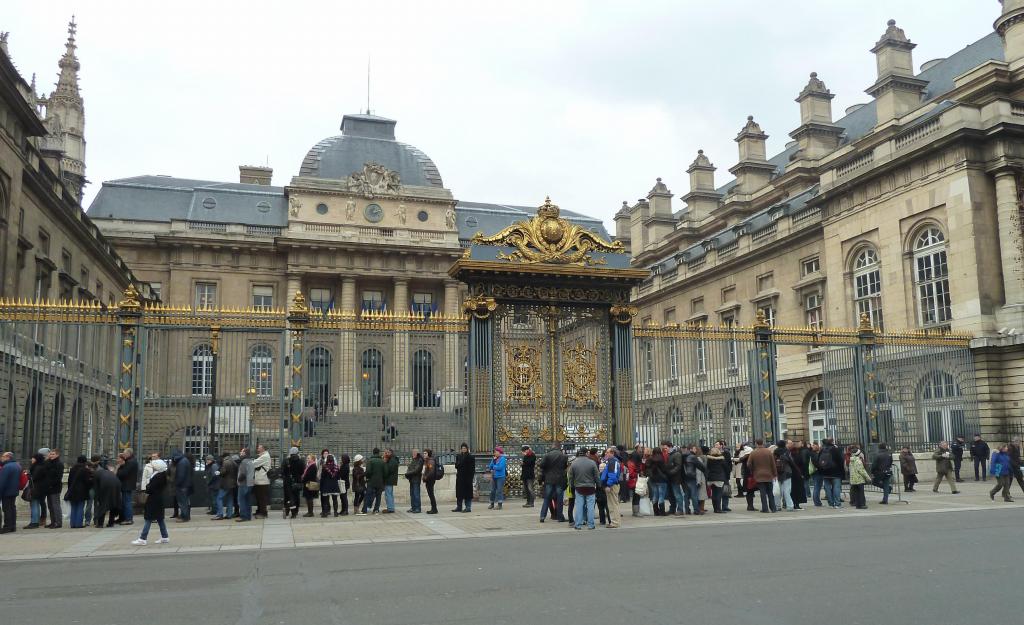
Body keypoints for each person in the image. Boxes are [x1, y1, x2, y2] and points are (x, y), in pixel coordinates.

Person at [131, 459, 169, 546]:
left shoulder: (157, 477)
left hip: (153, 499)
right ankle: (165, 536)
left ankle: (142, 538)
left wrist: (148, 485)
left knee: (148, 518)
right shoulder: (162, 475)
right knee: (160, 518)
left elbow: (149, 488)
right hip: (158, 499)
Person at [569, 448, 598, 530]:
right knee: (590, 507)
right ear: (586, 453)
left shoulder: (574, 463)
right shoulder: (592, 463)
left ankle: (578, 524)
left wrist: (571, 487)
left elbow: (571, 477)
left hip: (579, 488)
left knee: (579, 506)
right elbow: (596, 476)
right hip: (590, 487)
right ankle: (591, 524)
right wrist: (599, 485)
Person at [747, 439, 777, 513]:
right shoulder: (768, 452)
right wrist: (775, 474)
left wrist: (753, 470)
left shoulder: (753, 453)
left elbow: (749, 464)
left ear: (756, 443)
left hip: (759, 475)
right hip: (769, 475)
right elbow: (773, 464)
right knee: (770, 492)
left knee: (762, 493)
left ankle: (765, 508)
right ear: (763, 443)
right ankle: (773, 508)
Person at [538, 445, 567, 522]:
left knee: (547, 498)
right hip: (559, 479)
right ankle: (559, 517)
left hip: (549, 479)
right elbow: (564, 467)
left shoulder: (547, 455)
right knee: (559, 499)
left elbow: (541, 465)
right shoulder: (563, 456)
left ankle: (542, 516)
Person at [65, 455, 94, 528]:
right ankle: (78, 524)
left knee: (74, 507)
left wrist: (70, 490)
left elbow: (69, 481)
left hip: (72, 491)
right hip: (82, 491)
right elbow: (87, 482)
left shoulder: (72, 469)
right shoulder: (85, 470)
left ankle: (73, 524)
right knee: (80, 507)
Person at [92, 456, 120, 528]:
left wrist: (98, 498)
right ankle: (111, 523)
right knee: (113, 504)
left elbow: (96, 488)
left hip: (106, 485)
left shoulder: (97, 473)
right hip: (116, 484)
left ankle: (100, 524)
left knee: (103, 504)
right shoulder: (109, 472)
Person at [817, 439, 845, 508]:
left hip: (825, 472)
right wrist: (842, 471)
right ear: (832, 443)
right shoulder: (835, 450)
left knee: (827, 488)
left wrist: (821, 471)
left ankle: (831, 503)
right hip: (835, 472)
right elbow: (841, 461)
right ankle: (837, 503)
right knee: (836, 487)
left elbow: (819, 461)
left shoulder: (822, 450)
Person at [599, 447, 622, 528]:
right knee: (612, 504)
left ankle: (615, 522)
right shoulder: (611, 461)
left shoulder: (613, 461)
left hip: (612, 485)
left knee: (613, 504)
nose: (606, 454)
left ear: (612, 453)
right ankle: (614, 521)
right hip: (611, 485)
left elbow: (612, 475)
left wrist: (608, 485)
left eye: (607, 452)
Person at [116, 448, 139, 526]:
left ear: (129, 454)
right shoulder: (132, 461)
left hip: (127, 485)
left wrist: (118, 468)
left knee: (127, 502)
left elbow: (123, 473)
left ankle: (128, 519)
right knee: (125, 502)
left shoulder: (130, 462)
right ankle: (124, 518)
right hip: (128, 484)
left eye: (125, 454)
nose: (124, 455)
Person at [0, 451, 22, 533]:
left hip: (7, 491)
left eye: (3, 456)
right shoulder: (17, 465)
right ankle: (13, 526)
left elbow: (2, 481)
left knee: (7, 509)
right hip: (14, 490)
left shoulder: (6, 467)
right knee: (12, 508)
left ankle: (7, 527)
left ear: (8, 457)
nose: (2, 458)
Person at [773, 441, 797, 511]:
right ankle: (790, 506)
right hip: (787, 472)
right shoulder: (787, 452)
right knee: (787, 491)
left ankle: (777, 506)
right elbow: (792, 462)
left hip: (777, 473)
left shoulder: (775, 452)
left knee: (777, 491)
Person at [361, 448, 385, 515]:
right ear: (379, 452)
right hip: (380, 481)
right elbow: (385, 472)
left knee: (367, 495)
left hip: (371, 481)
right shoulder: (382, 461)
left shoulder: (370, 461)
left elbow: (368, 471)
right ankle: (376, 510)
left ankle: (364, 510)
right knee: (378, 496)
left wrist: (367, 477)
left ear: (373, 452)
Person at [705, 447, 729, 513]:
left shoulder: (708, 459)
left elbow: (706, 468)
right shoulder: (722, 459)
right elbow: (726, 468)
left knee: (714, 494)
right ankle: (718, 509)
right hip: (719, 478)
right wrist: (727, 476)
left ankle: (715, 508)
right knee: (719, 493)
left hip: (711, 478)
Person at [170, 449, 192, 521]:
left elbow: (180, 476)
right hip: (186, 485)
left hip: (182, 486)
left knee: (182, 502)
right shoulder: (185, 460)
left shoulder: (181, 463)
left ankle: (184, 516)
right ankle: (186, 516)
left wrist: (176, 484)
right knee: (185, 501)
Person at [453, 443, 474, 513]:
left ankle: (468, 507)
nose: (463, 449)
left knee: (467, 493)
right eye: (462, 448)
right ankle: (459, 507)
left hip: (467, 478)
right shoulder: (458, 456)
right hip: (460, 477)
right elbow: (456, 465)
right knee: (459, 493)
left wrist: (471, 478)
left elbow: (472, 469)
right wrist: (460, 462)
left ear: (467, 449)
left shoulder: (470, 457)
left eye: (465, 448)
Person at [647, 444, 668, 515]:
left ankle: (656, 511)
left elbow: (647, 468)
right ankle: (662, 511)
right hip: (661, 479)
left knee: (655, 495)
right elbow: (664, 469)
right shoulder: (661, 459)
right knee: (661, 495)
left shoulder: (650, 459)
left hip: (653, 479)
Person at [252, 443, 272, 518]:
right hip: (259, 480)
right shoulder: (263, 456)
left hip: (262, 480)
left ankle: (263, 513)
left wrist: (253, 460)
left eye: (259, 448)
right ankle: (259, 511)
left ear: (263, 449)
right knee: (258, 497)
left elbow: (253, 464)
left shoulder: (264, 456)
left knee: (262, 498)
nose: (257, 449)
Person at [235, 447, 254, 522]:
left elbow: (242, 474)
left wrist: (239, 480)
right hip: (250, 483)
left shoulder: (244, 462)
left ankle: (243, 516)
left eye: (242, 452)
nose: (240, 453)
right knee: (248, 500)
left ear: (245, 453)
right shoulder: (251, 461)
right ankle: (248, 516)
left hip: (243, 483)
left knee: (241, 500)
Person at [216, 453, 237, 520]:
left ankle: (220, 514)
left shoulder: (225, 462)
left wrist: (218, 473)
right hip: (232, 483)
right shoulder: (233, 462)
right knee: (229, 499)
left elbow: (223, 472)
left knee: (219, 498)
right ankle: (229, 514)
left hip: (226, 483)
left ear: (224, 457)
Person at [788, 441, 807, 510]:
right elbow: (803, 465)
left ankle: (792, 503)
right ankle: (797, 504)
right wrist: (804, 474)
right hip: (798, 475)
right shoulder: (798, 456)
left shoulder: (789, 457)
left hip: (791, 475)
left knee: (792, 490)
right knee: (798, 490)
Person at [405, 449, 424, 514]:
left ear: (417, 453)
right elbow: (411, 468)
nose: (412, 454)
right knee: (412, 494)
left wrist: (408, 473)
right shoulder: (414, 459)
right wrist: (408, 465)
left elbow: (416, 470)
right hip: (411, 479)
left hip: (416, 479)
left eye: (413, 453)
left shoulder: (419, 460)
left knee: (416, 494)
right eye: (412, 452)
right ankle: (413, 507)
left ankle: (418, 508)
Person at [422, 448, 439, 514]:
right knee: (430, 494)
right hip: (429, 480)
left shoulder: (430, 461)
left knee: (431, 494)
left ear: (428, 454)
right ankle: (433, 508)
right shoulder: (427, 460)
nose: (424, 454)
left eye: (425, 453)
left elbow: (431, 471)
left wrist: (426, 477)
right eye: (423, 453)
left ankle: (434, 509)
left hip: (430, 480)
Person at [383, 448, 399, 513]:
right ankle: (390, 507)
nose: (386, 454)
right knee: (389, 494)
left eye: (387, 453)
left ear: (391, 453)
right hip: (390, 479)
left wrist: (385, 462)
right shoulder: (391, 459)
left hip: (389, 479)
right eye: (385, 453)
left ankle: (390, 508)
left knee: (388, 494)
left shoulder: (392, 460)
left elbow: (389, 470)